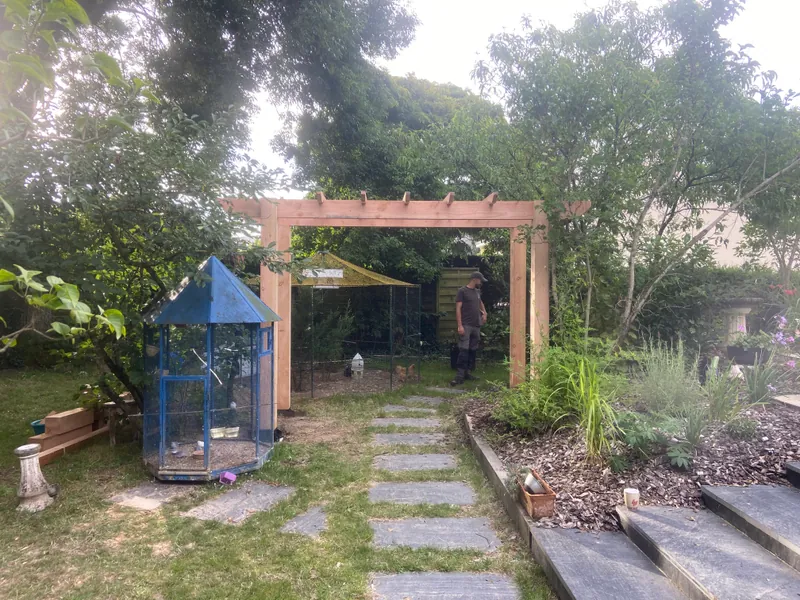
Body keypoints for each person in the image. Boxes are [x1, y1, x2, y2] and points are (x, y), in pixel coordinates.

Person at [451, 271, 488, 386]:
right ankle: (459, 376)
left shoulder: (477, 292)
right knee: (463, 350)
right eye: (480, 280)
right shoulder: (462, 291)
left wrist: (485, 313)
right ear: (474, 279)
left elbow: (480, 302)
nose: (481, 282)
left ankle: (468, 372)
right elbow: (458, 309)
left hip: (476, 325)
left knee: (472, 350)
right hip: (466, 325)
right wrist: (460, 325)